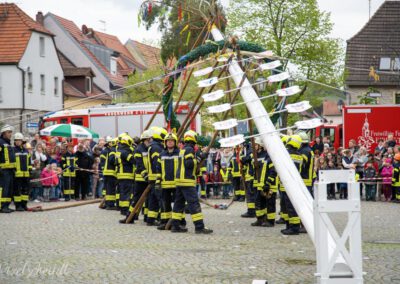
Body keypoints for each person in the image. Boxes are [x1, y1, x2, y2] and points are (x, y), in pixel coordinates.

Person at [171, 130, 212, 234]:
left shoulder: (183, 149)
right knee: (194, 204)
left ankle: (175, 226)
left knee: (178, 204)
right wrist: (199, 158)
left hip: (180, 181)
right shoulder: (189, 149)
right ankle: (199, 227)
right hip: (187, 181)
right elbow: (189, 164)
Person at [281, 135, 303, 235]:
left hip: (287, 183)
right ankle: (291, 226)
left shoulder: (286, 154)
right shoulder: (299, 155)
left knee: (290, 207)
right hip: (295, 183)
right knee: (291, 206)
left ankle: (293, 228)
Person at [157, 133, 180, 230]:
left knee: (177, 204)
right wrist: (158, 182)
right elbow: (158, 170)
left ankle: (179, 223)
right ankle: (165, 222)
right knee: (165, 204)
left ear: (175, 142)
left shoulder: (179, 153)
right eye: (168, 141)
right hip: (165, 184)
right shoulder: (161, 154)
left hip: (176, 184)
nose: (170, 142)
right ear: (165, 142)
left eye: (172, 140)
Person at [146, 127, 167, 226]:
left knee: (153, 199)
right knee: (160, 198)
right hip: (156, 177)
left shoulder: (153, 146)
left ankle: (151, 219)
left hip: (153, 177)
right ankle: (163, 219)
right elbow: (156, 163)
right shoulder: (156, 147)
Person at [116, 134, 135, 217]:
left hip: (121, 174)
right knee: (126, 193)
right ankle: (125, 209)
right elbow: (132, 160)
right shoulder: (125, 151)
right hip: (127, 174)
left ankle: (122, 208)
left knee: (123, 192)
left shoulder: (119, 150)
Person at [13, 132, 31, 211]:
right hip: (17, 174)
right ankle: (18, 206)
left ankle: (24, 204)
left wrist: (30, 171)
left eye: (19, 140)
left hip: (26, 174)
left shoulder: (26, 151)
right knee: (17, 191)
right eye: (16, 140)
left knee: (25, 190)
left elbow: (29, 162)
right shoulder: (13, 150)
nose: (18, 142)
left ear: (22, 141)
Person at [0, 125, 16, 213]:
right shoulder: (0, 142)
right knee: (4, 189)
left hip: (10, 170)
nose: (10, 134)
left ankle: (6, 205)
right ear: (4, 133)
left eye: (11, 132)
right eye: (9, 132)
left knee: (9, 188)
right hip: (3, 170)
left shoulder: (8, 143)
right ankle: (2, 206)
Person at [100, 136, 117, 209]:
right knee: (109, 189)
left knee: (108, 189)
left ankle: (107, 203)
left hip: (108, 172)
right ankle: (109, 204)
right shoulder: (106, 151)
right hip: (109, 172)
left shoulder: (109, 150)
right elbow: (103, 162)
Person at [298, 131, 316, 197]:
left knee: (307, 197)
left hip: (305, 178)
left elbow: (302, 165)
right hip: (309, 176)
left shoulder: (304, 151)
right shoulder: (308, 149)